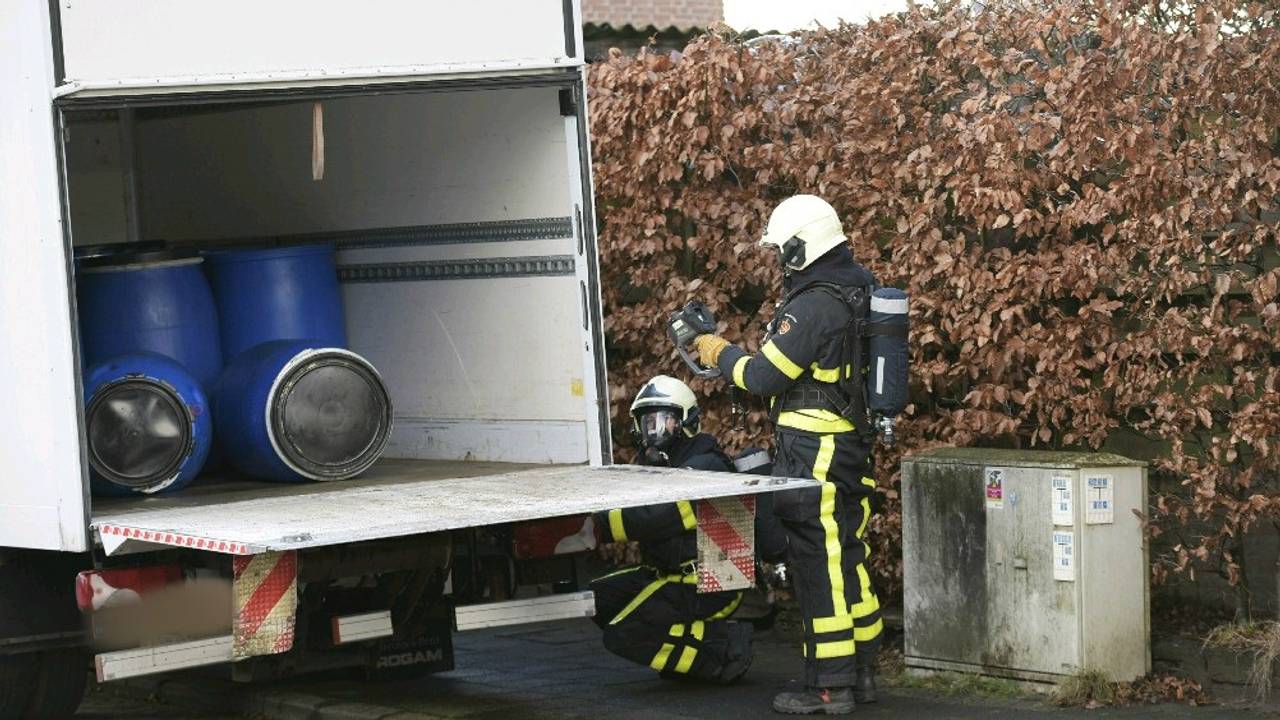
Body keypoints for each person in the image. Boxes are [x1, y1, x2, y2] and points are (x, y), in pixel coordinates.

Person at [692, 195, 884, 715]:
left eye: (783, 250)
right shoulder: (860, 285)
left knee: (816, 565)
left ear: (802, 248)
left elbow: (763, 377)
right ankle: (863, 673)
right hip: (847, 445)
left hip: (813, 452)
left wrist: (716, 351)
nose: (780, 261)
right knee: (847, 558)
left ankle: (828, 686)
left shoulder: (813, 304)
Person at [589, 375, 786, 683]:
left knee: (623, 635)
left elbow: (657, 516)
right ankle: (687, 654)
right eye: (647, 423)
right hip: (668, 575)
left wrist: (594, 525)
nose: (653, 432)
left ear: (686, 422)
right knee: (595, 601)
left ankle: (725, 650)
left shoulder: (707, 466)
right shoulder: (659, 465)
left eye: (664, 421)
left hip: (710, 584)